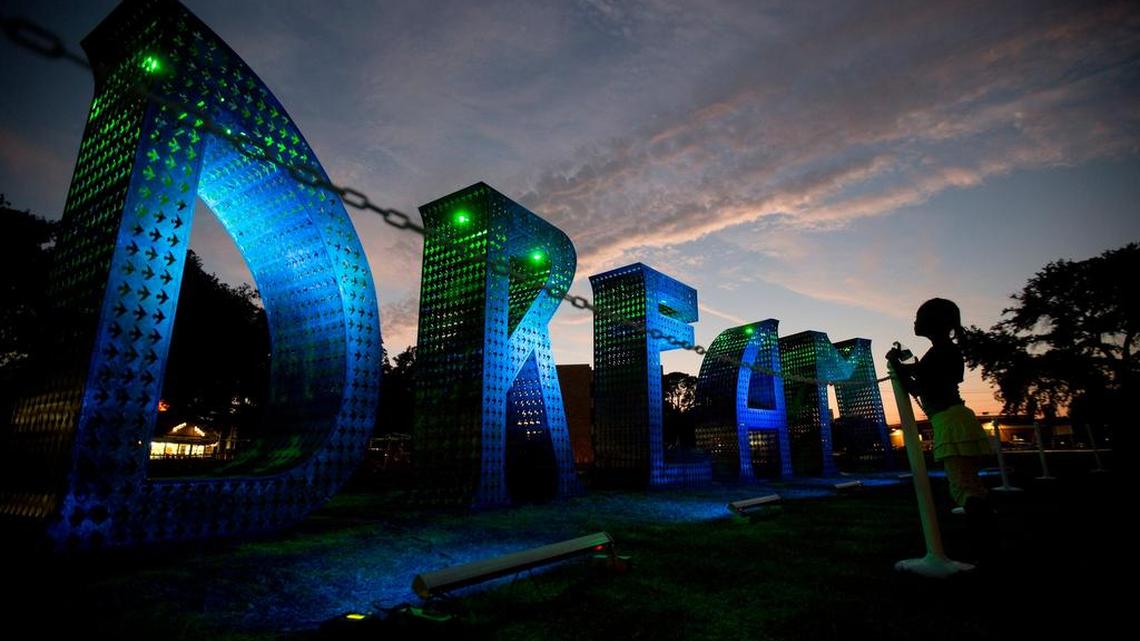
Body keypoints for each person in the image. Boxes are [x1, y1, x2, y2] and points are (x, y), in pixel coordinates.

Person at [889, 298, 992, 516]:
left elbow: (919, 388)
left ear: (932, 322)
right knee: (969, 484)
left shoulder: (940, 352)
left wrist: (896, 366)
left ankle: (984, 536)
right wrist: (908, 366)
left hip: (949, 421)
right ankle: (984, 531)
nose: (914, 322)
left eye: (918, 318)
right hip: (957, 419)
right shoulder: (945, 350)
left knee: (964, 489)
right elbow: (928, 375)